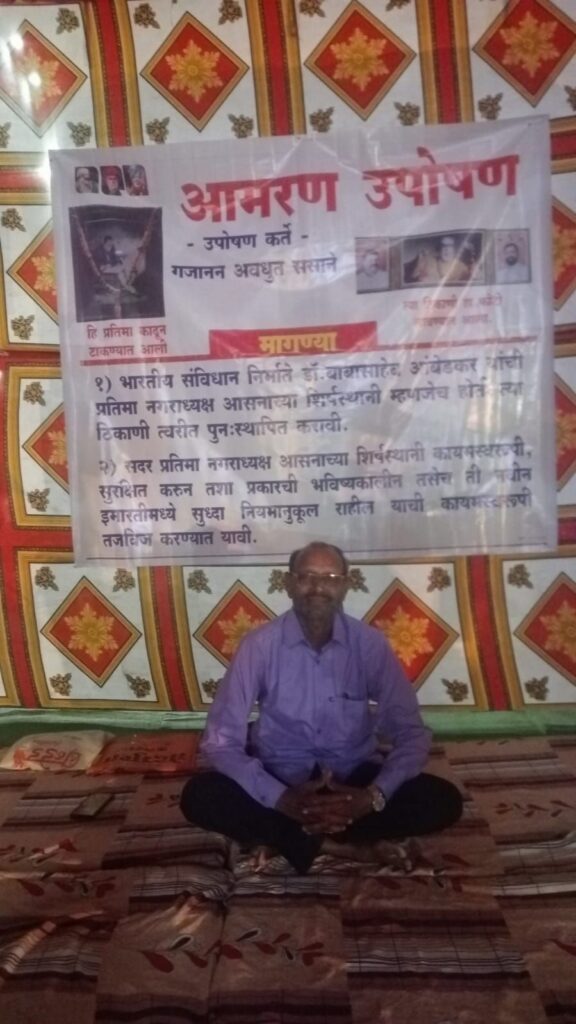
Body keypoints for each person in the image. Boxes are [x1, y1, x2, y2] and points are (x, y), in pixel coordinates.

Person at [181, 542, 463, 874]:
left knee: (443, 800)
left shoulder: (369, 644)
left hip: (353, 780)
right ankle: (342, 845)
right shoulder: (258, 646)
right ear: (289, 584)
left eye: (330, 578)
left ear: (345, 585)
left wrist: (371, 797)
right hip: (280, 778)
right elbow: (220, 741)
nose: (317, 587)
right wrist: (280, 797)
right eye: (306, 577)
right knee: (199, 796)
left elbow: (411, 733)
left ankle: (294, 835)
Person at [404, 235, 471, 285]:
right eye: (443, 247)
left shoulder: (461, 267)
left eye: (450, 247)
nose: (446, 250)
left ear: (454, 250)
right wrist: (420, 278)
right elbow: (412, 277)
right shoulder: (428, 260)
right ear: (439, 250)